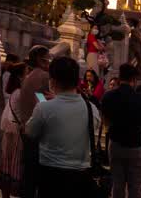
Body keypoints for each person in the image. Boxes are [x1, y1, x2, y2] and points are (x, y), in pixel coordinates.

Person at [26, 55, 100, 194]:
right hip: (81, 178)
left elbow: (30, 132)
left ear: (52, 81)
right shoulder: (92, 109)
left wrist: (44, 106)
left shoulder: (44, 108)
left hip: (51, 177)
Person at [101, 64, 141, 198]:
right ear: (134, 79)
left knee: (117, 185)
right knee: (134, 187)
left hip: (116, 143)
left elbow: (105, 119)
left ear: (119, 77)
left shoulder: (108, 96)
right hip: (135, 145)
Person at [13, 45, 51, 198]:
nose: (49, 63)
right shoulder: (43, 76)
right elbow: (41, 101)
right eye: (47, 59)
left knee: (28, 174)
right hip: (38, 133)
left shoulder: (28, 77)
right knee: (38, 176)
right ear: (41, 60)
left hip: (26, 130)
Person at [0, 62, 28, 198]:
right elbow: (42, 104)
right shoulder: (21, 93)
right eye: (28, 73)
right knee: (14, 166)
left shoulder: (16, 92)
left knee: (7, 166)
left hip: (10, 133)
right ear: (21, 76)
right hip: (16, 134)